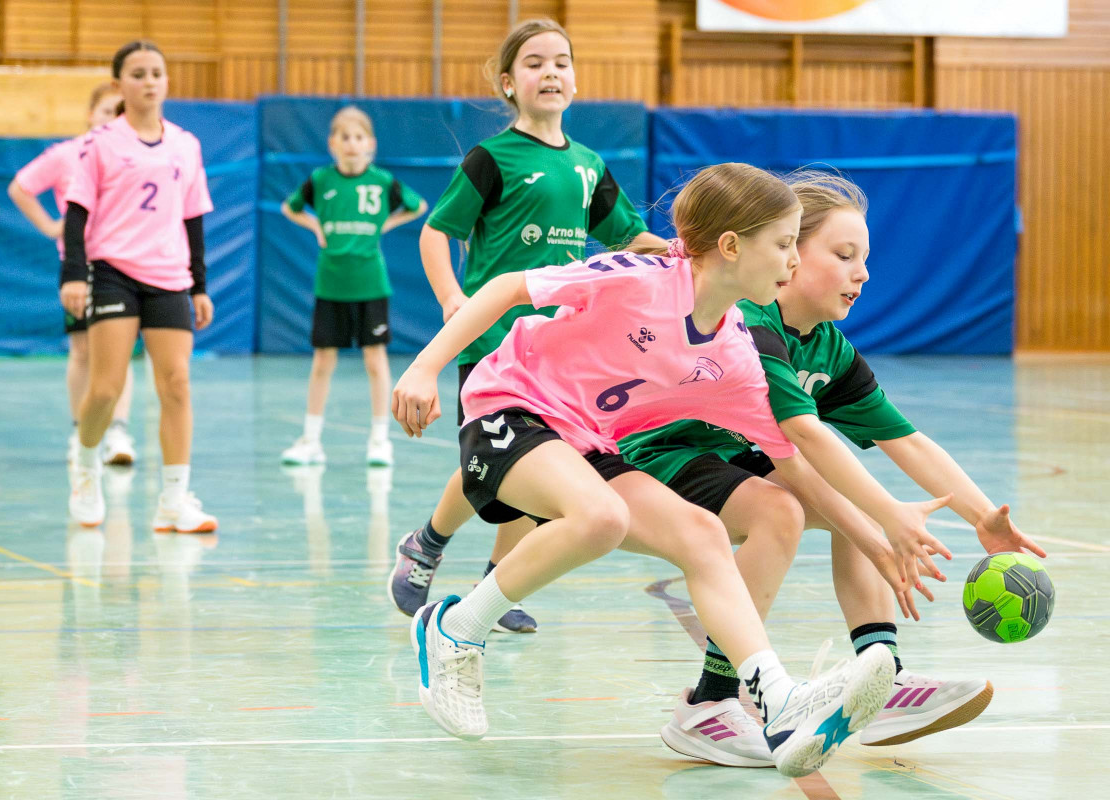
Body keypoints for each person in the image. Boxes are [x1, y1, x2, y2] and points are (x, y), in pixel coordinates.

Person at [392, 162, 950, 778]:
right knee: (601, 517)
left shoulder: (733, 353)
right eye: (784, 244)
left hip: (589, 442)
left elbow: (793, 464)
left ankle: (778, 700)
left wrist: (876, 534)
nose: (794, 262)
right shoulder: (638, 278)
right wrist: (423, 368)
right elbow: (505, 289)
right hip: (512, 405)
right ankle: (455, 627)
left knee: (702, 534)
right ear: (732, 246)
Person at [616, 172, 1047, 765]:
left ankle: (882, 676)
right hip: (656, 454)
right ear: (789, 253)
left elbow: (906, 440)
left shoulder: (826, 347)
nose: (862, 273)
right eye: (844, 256)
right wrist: (883, 518)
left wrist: (982, 520)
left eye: (865, 259)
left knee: (849, 502)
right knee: (782, 512)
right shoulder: (750, 321)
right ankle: (710, 703)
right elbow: (802, 436)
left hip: (726, 457)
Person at [386, 18, 668, 632]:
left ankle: (496, 585)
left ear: (575, 78)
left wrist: (680, 253)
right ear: (509, 83)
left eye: (561, 61)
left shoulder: (589, 164)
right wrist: (452, 297)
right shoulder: (493, 158)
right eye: (535, 63)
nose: (551, 72)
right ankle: (426, 544)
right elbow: (436, 232)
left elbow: (627, 236)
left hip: (560, 349)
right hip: (494, 340)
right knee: (498, 460)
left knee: (536, 460)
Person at [62, 41, 215, 532]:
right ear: (118, 85)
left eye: (156, 73)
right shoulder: (100, 143)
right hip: (114, 272)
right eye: (138, 73)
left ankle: (174, 499)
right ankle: (86, 467)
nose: (149, 81)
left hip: (169, 276)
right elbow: (76, 213)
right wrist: (73, 275)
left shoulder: (185, 145)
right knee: (105, 388)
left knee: (177, 384)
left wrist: (199, 286)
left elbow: (193, 218)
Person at [279, 106, 427, 467]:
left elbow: (418, 205)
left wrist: (384, 226)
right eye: (344, 137)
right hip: (331, 284)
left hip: (369, 284)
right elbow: (289, 207)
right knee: (322, 361)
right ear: (332, 143)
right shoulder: (320, 180)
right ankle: (311, 440)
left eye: (359, 137)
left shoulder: (381, 181)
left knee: (375, 360)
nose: (351, 144)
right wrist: (315, 226)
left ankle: (380, 439)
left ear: (370, 144)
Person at [10, 83, 137, 466]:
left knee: (119, 352)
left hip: (125, 265)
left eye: (120, 112)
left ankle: (118, 431)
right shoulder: (67, 154)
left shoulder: (135, 154)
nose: (113, 119)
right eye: (106, 111)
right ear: (90, 114)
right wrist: (52, 226)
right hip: (81, 267)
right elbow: (20, 187)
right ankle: (80, 432)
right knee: (82, 351)